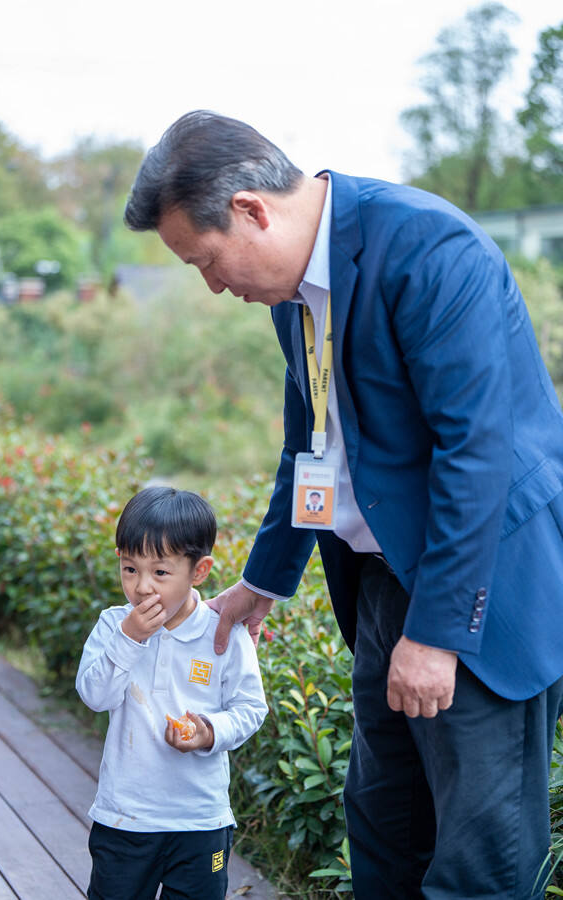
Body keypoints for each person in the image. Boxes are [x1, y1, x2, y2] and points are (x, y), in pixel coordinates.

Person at [123, 111, 563, 899]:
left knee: (480, 862)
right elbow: (310, 446)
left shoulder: (429, 248)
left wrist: (435, 634)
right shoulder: (292, 294)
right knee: (385, 829)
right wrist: (265, 579)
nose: (214, 285)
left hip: (476, 592)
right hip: (381, 583)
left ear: (254, 209)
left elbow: (477, 453)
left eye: (207, 259)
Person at [76, 485, 267, 900]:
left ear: (198, 571)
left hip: (200, 821)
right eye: (130, 569)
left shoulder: (223, 633)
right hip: (124, 817)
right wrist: (129, 639)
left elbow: (251, 708)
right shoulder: (114, 626)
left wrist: (209, 732)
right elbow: (95, 695)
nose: (142, 587)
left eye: (160, 572)